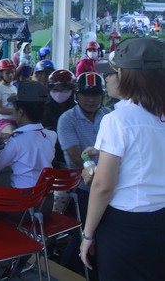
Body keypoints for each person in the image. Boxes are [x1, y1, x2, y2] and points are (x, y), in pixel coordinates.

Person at [80, 38, 165, 281]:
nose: (108, 78)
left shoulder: (118, 120)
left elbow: (103, 186)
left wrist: (87, 235)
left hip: (127, 226)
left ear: (129, 76)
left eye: (115, 72)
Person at [56, 71, 110, 278]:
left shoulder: (109, 115)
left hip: (110, 184)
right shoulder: (67, 119)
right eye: (86, 94)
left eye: (96, 94)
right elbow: (75, 156)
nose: (91, 99)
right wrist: (97, 171)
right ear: (77, 95)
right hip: (84, 186)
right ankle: (69, 271)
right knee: (87, 233)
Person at [0, 81, 56, 204]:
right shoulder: (52, 136)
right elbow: (32, 140)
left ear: (21, 112)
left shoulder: (17, 140)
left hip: (23, 204)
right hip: (46, 202)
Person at [0, 58, 17, 136]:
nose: (11, 75)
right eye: (7, 73)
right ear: (1, 74)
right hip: (4, 121)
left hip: (16, 120)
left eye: (12, 72)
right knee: (12, 135)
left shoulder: (14, 88)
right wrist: (14, 111)